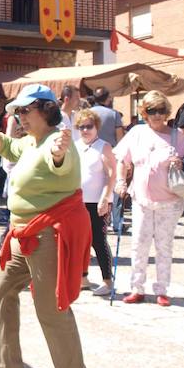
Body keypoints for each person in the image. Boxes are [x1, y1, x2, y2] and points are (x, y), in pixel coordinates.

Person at [0, 84, 92, 368]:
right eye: (17, 111)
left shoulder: (56, 140)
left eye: (26, 110)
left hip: (48, 233)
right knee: (0, 288)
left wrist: (59, 154)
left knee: (51, 308)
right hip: (22, 233)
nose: (19, 116)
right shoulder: (31, 141)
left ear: (47, 110)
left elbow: (61, 158)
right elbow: (8, 146)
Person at [114, 91, 184, 306]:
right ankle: (136, 287)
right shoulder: (137, 133)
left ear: (166, 112)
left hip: (170, 201)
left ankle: (162, 289)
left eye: (160, 110)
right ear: (144, 113)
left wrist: (182, 163)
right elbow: (122, 160)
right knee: (139, 243)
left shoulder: (178, 136)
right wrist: (120, 181)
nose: (157, 115)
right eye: (151, 111)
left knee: (164, 245)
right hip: (141, 199)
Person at [74, 108, 116, 296]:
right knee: (79, 240)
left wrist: (105, 198)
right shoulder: (74, 146)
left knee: (98, 240)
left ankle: (107, 280)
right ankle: (82, 278)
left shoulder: (104, 146)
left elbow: (111, 175)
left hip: (97, 202)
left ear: (96, 127)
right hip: (77, 201)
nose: (85, 130)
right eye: (81, 127)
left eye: (89, 126)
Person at [91, 87, 125, 234]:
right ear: (108, 98)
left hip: (91, 153)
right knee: (113, 188)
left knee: (94, 187)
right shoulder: (114, 114)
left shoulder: (88, 114)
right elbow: (120, 138)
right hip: (111, 153)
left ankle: (96, 221)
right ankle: (116, 223)